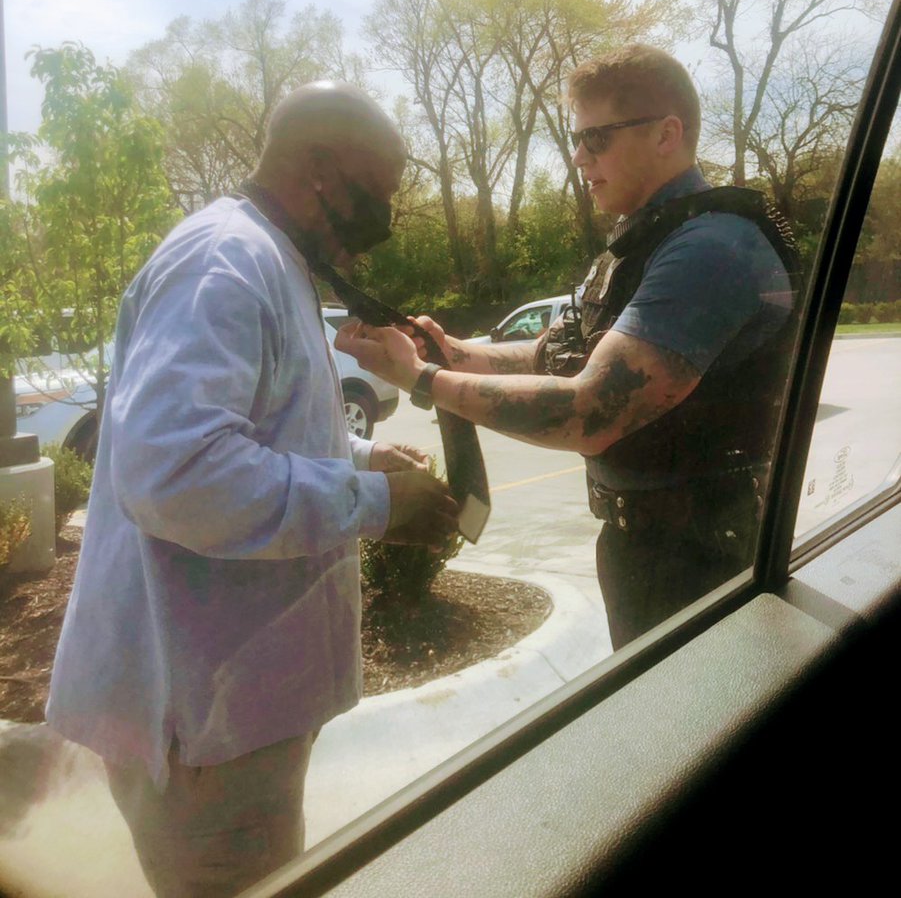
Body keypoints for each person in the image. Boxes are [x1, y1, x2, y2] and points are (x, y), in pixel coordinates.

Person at [46, 81, 458, 898]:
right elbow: (178, 471)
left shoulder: (270, 259)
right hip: (198, 723)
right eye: (379, 192)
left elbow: (262, 426)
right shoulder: (224, 261)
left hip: (230, 711)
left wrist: (367, 457)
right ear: (319, 169)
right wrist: (373, 508)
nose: (387, 216)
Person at [336, 45, 798, 651]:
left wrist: (424, 379)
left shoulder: (709, 251)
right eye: (576, 139)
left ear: (667, 134)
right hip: (652, 550)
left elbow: (590, 413)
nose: (579, 157)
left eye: (597, 138)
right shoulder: (641, 244)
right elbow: (546, 357)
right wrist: (447, 352)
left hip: (704, 562)